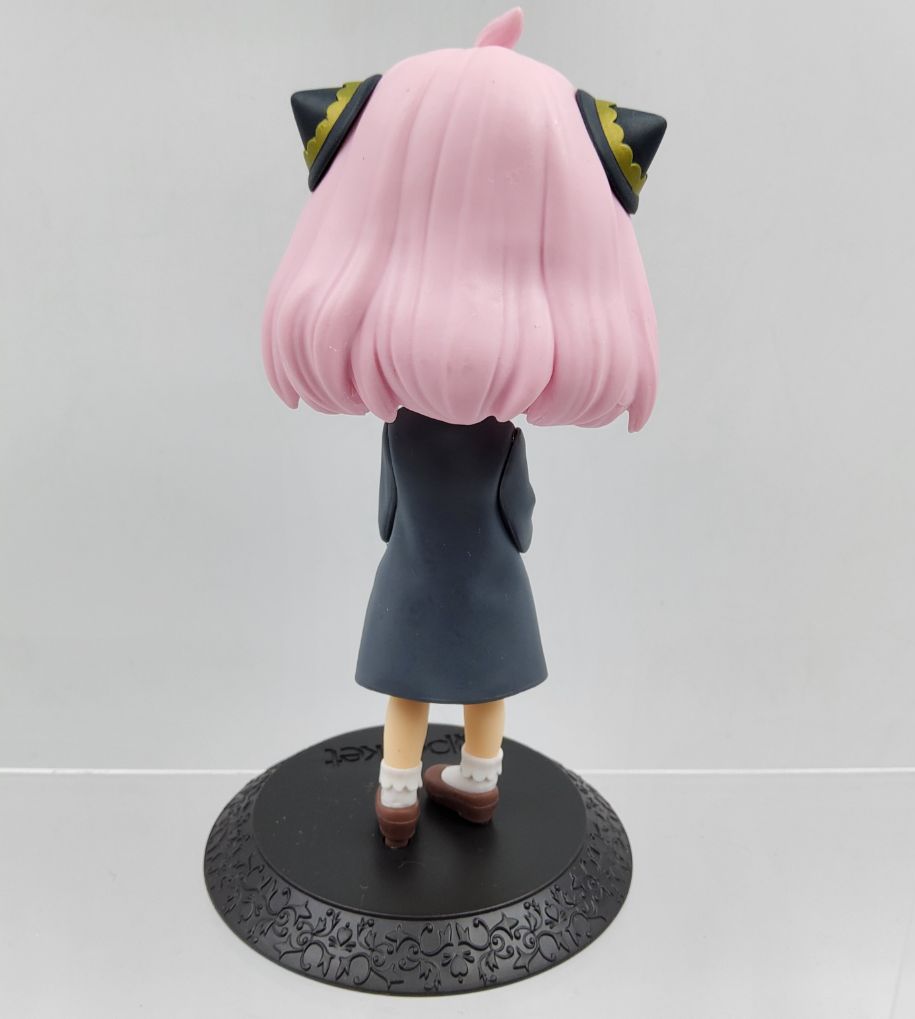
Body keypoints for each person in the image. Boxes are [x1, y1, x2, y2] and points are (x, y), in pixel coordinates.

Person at [262, 7, 666, 847]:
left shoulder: (400, 432)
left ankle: (397, 789)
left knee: (407, 686)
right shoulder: (499, 438)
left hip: (411, 577)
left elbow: (386, 515)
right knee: (486, 684)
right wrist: (506, 529)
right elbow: (518, 518)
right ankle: (479, 780)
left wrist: (408, 536)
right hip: (489, 581)